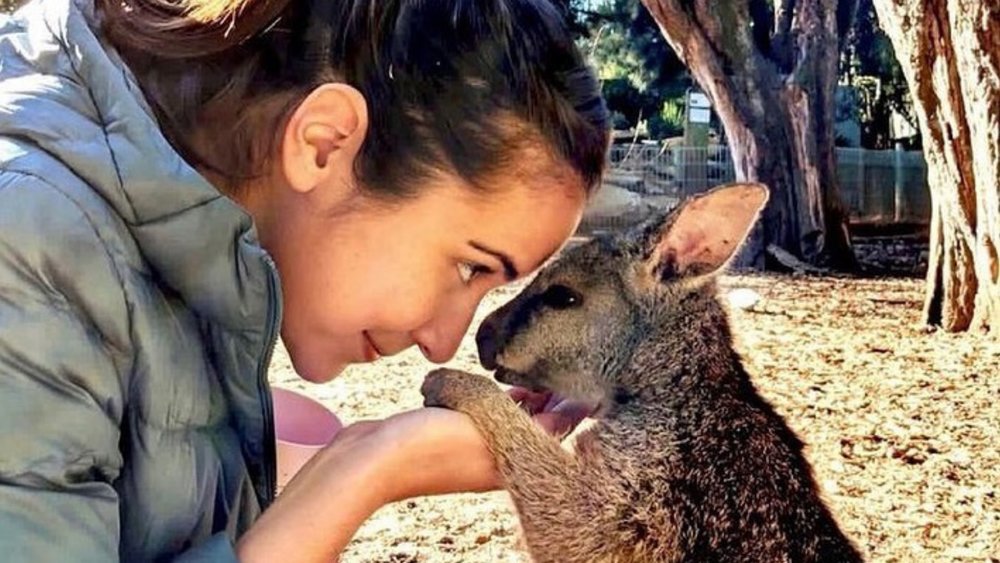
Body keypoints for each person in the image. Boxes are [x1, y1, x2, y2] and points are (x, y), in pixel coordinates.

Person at [0, 0, 610, 559]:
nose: (443, 343)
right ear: (325, 143)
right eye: (470, 266)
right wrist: (363, 469)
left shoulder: (204, 261)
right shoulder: (29, 243)